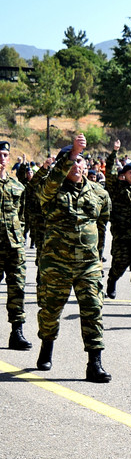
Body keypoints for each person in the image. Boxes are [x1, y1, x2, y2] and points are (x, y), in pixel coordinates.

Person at [34, 135, 112, 382]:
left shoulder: (98, 193)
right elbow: (47, 186)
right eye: (71, 162)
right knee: (50, 311)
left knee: (93, 310)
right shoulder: (51, 191)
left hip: (88, 265)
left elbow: (103, 222)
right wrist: (71, 153)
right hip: (56, 263)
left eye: (80, 160)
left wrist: (96, 254)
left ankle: (94, 363)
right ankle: (47, 346)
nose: (77, 165)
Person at [102, 141, 131, 308]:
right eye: (130, 172)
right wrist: (114, 152)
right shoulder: (116, 188)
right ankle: (112, 281)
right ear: (124, 174)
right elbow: (109, 170)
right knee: (120, 263)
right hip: (122, 235)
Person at [0, 140, 31, 350]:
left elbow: (21, 216)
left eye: (4, 155)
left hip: (14, 246)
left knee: (17, 289)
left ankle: (16, 332)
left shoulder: (16, 186)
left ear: (9, 159)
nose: (1, 158)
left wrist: (19, 237)